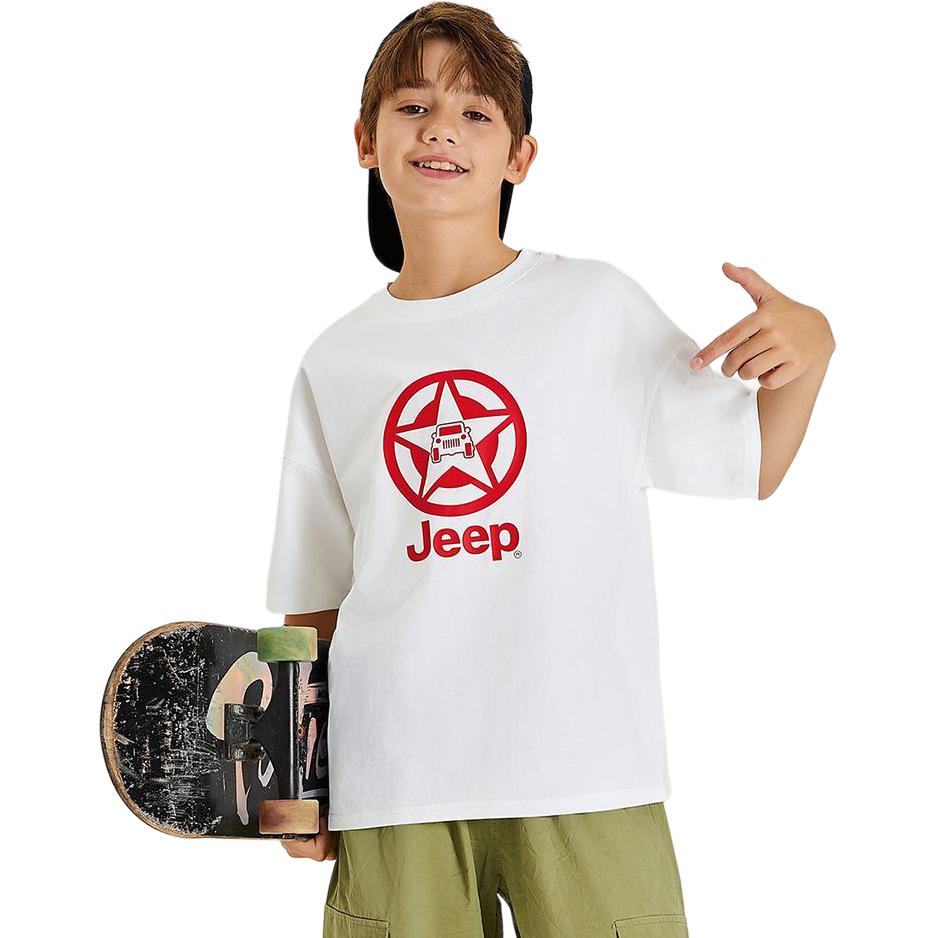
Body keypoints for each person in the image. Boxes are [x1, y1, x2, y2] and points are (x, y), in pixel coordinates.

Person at [265, 4, 835, 936]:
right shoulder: (336, 359)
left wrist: (814, 348)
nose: (441, 129)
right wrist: (296, 778)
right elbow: (314, 594)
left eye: (475, 113)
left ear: (520, 157)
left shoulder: (594, 308)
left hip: (586, 766)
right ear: (366, 140)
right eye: (413, 106)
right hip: (397, 774)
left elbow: (752, 459)